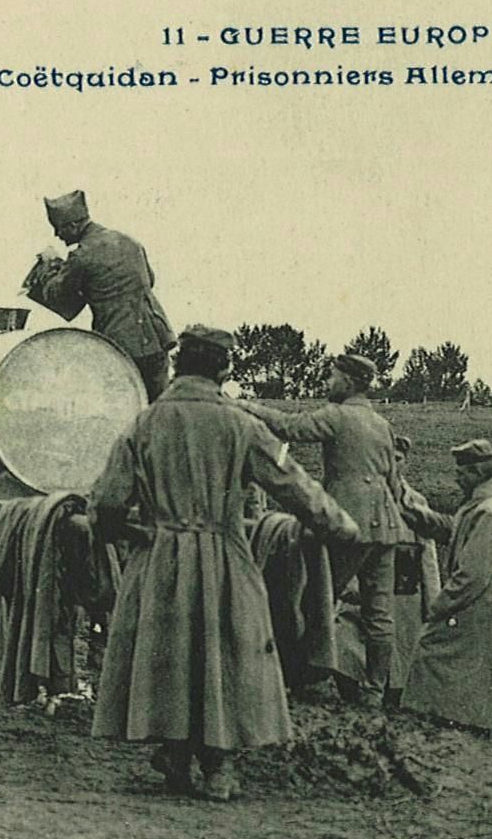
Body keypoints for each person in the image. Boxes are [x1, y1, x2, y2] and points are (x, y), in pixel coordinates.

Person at [88, 325, 359, 802]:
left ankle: (175, 750)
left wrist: (132, 533)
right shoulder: (240, 425)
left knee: (171, 656)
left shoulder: (143, 424)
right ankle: (219, 765)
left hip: (159, 558)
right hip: (222, 555)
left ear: (177, 366)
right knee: (225, 654)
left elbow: (107, 504)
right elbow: (292, 484)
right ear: (224, 368)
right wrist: (341, 527)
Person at [237, 353, 404, 707]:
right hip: (386, 525)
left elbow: (289, 428)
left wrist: (250, 408)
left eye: (332, 376)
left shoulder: (337, 416)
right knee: (379, 611)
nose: (328, 383)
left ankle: (305, 677)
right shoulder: (381, 424)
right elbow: (393, 482)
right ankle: (375, 689)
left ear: (348, 381)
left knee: (317, 598)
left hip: (348, 523)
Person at [398, 440, 492, 744]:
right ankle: (470, 729)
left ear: (477, 473)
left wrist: (438, 607)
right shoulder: (483, 506)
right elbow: (451, 529)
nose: (456, 477)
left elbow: (472, 575)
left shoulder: (488, 512)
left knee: (433, 648)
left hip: (489, 604)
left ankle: (442, 725)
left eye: (462, 472)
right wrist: (412, 513)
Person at [27, 190, 177, 401]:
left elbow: (57, 296)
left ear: (73, 226)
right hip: (156, 340)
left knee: (122, 411)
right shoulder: (130, 242)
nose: (57, 235)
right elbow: (149, 280)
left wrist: (51, 263)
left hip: (118, 346)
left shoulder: (82, 255)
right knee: (156, 410)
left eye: (58, 228)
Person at [388, 435, 441, 709]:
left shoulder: (417, 501)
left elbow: (428, 556)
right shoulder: (370, 496)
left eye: (398, 459)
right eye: (388, 457)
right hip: (374, 587)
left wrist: (434, 603)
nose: (392, 464)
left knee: (405, 657)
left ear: (405, 463)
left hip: (406, 589)